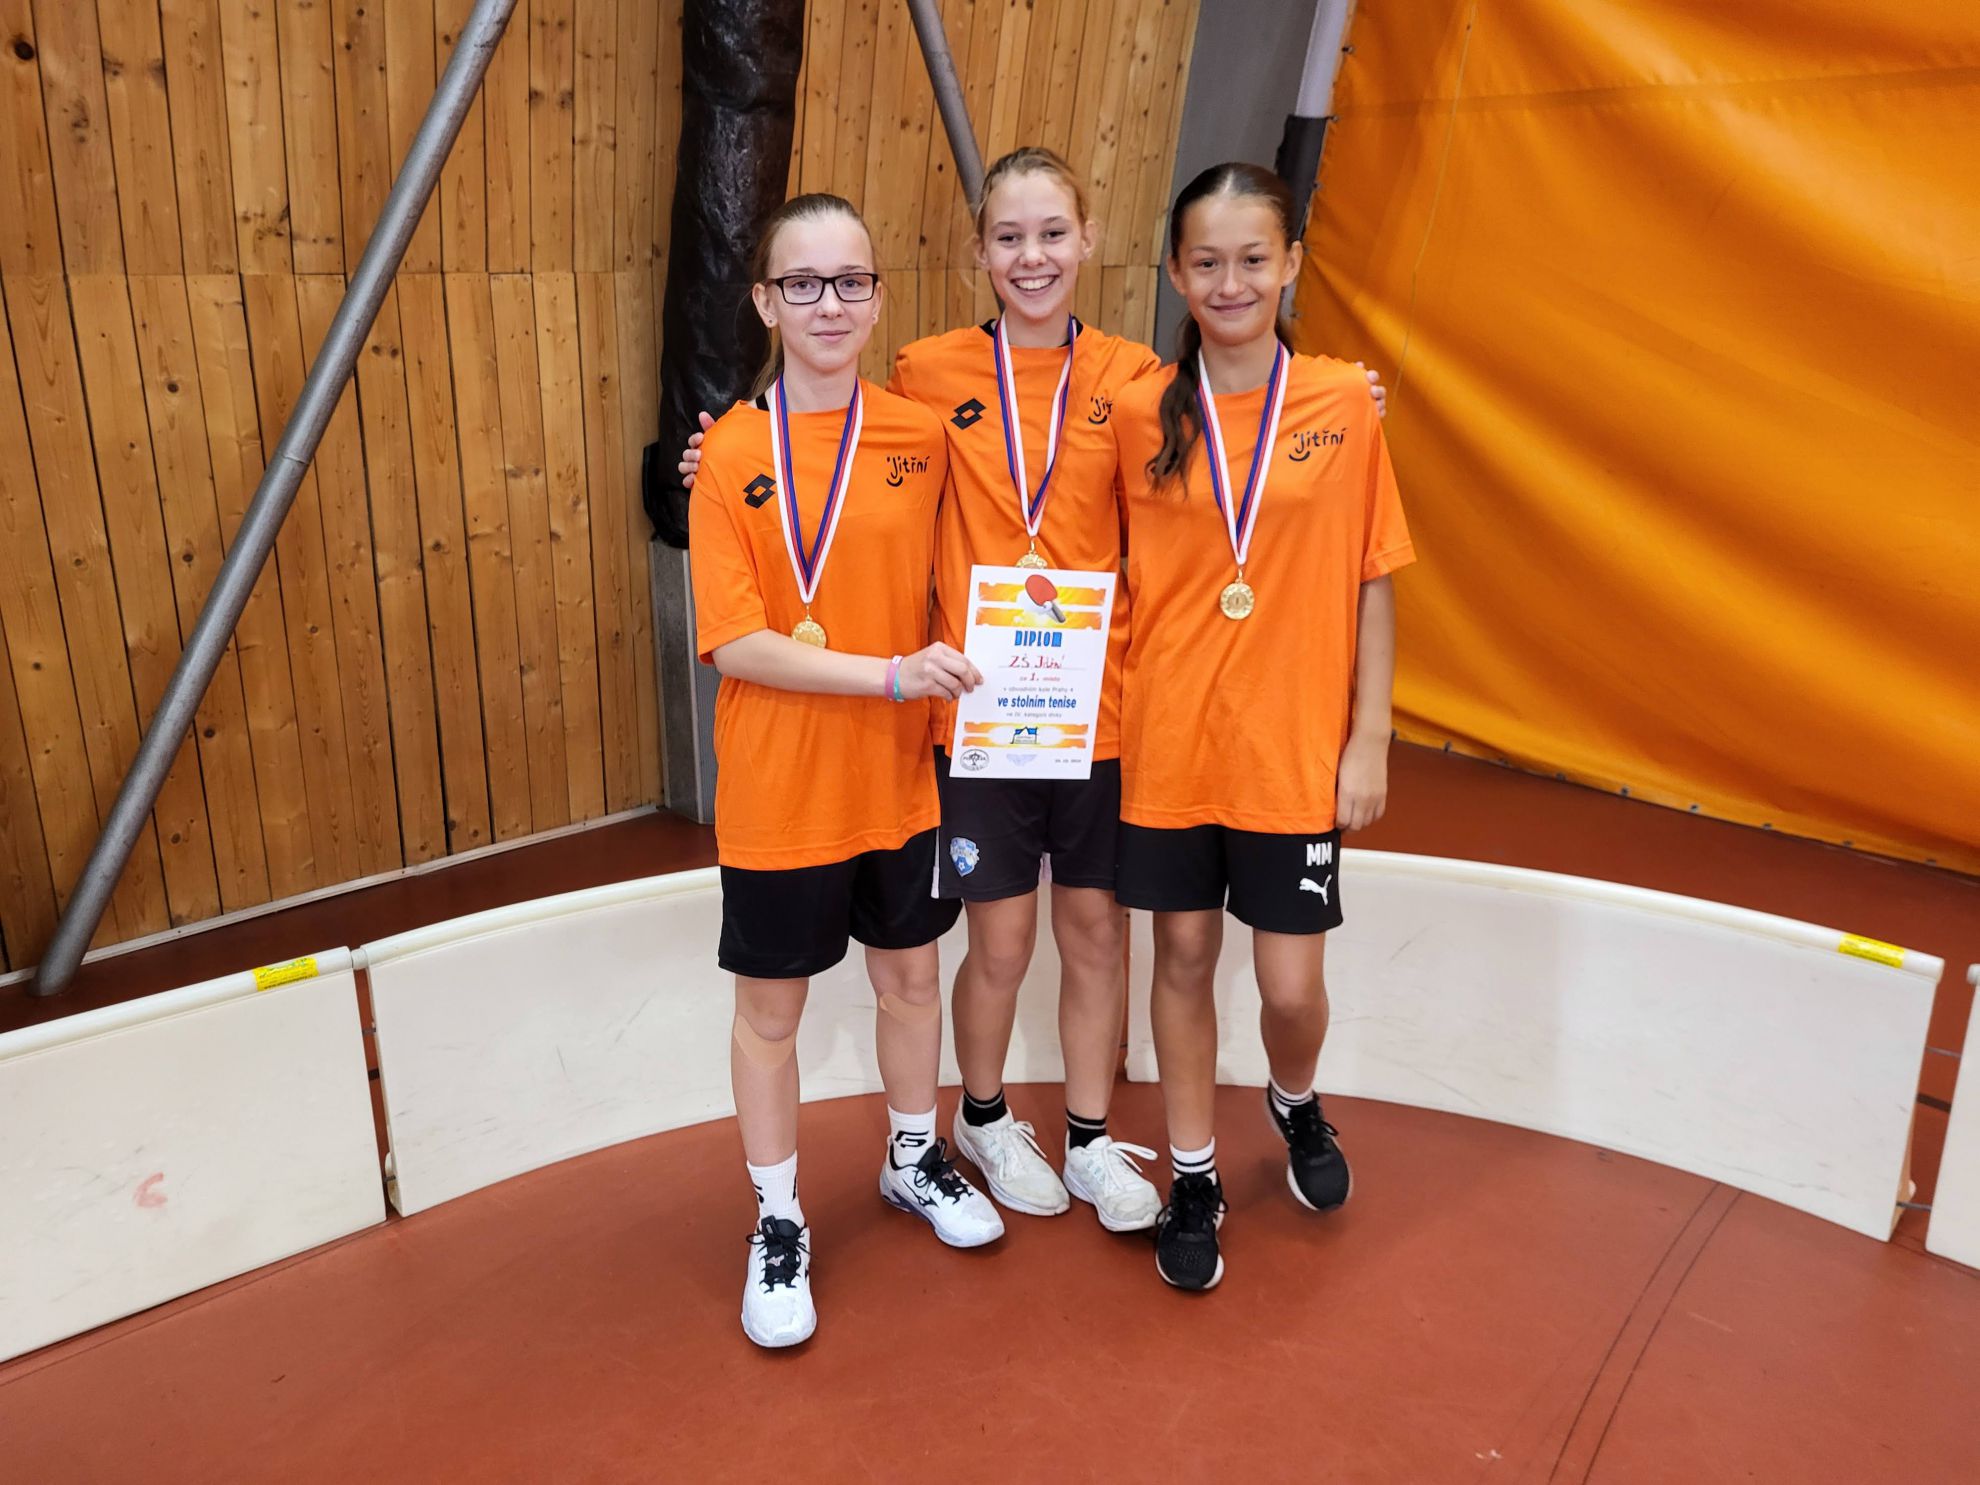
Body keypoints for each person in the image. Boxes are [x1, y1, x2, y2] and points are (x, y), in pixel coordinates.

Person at [681, 150, 1389, 1241]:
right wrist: (716, 453)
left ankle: (1093, 1138)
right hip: (976, 713)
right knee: (1001, 943)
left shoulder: (1142, 384)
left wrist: (1348, 399)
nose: (1033, 256)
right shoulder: (925, 376)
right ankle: (982, 1120)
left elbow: (1244, 427)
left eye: (1053, 233)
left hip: (1100, 715)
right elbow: (826, 437)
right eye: (1009, 237)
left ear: (1089, 240)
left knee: (1097, 933)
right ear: (979, 252)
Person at [689, 192, 1002, 1350]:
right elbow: (735, 641)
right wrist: (890, 675)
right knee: (771, 1012)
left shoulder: (922, 435)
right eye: (804, 283)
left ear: (877, 300)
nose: (830, 303)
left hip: (898, 781)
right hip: (780, 787)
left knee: (912, 981)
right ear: (766, 302)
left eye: (852, 281)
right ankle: (777, 1216)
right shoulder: (729, 452)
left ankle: (913, 1158)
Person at [1108, 163, 1416, 1292]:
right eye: (1206, 261)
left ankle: (1294, 1100)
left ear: (1290, 264)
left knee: (1289, 986)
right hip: (1171, 743)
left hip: (1291, 751)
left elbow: (1374, 575)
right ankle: (1193, 1175)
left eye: (1252, 259)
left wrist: (1369, 736)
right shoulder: (1137, 411)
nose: (1230, 281)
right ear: (1175, 272)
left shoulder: (1340, 403)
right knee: (1183, 957)